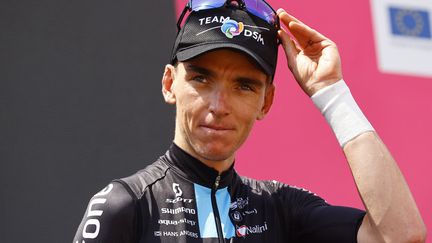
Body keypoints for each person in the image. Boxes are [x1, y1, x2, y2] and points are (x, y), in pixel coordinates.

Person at [73, 0, 426, 242]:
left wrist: (331, 93)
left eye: (243, 86)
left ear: (266, 101)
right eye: (201, 79)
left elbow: (401, 234)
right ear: (170, 84)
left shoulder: (281, 209)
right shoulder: (127, 205)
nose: (219, 104)